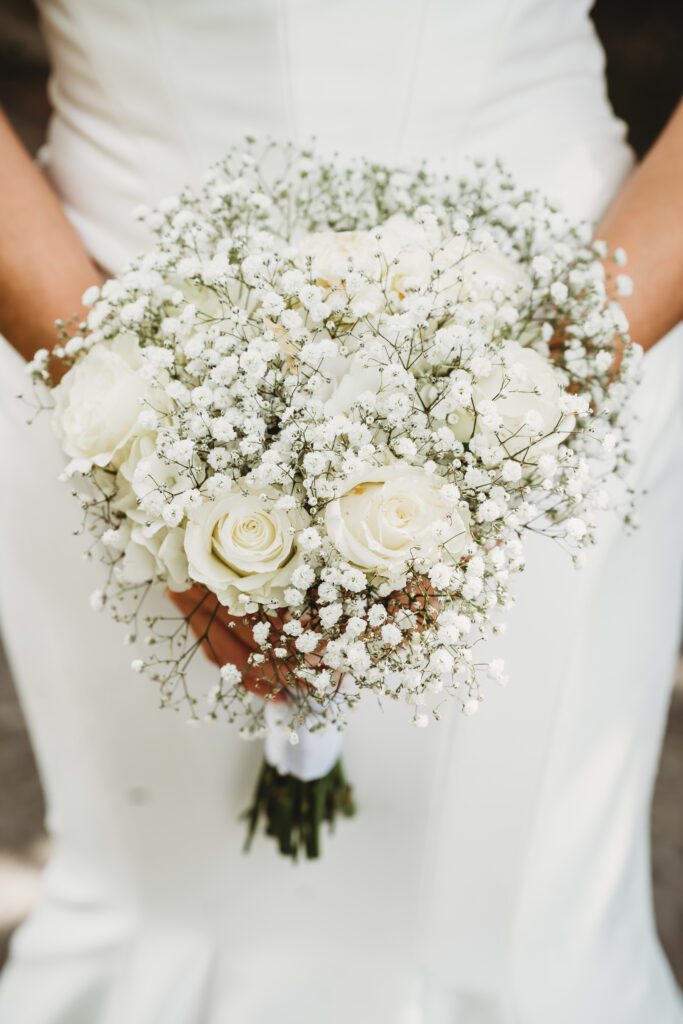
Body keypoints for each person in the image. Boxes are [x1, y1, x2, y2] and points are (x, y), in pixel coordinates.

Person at [0, 2, 682, 1021]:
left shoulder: (555, 371)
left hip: (572, 311)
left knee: (516, 902)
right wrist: (134, 423)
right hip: (89, 311)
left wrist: (518, 412)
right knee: (165, 888)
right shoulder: (109, 388)